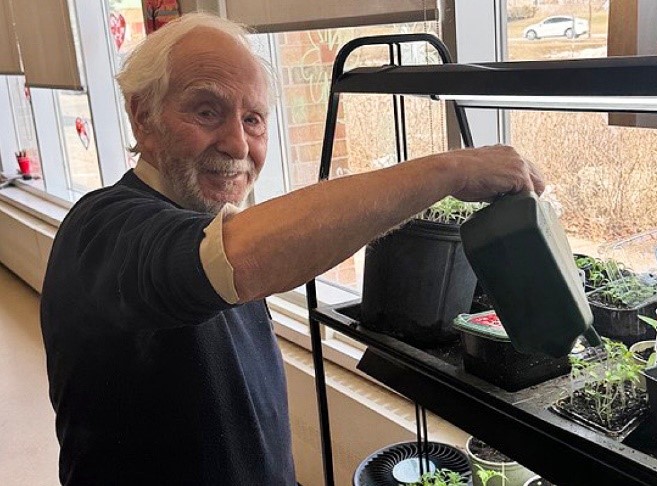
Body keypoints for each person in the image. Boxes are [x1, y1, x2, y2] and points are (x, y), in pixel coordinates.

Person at [39, 12, 544, 486]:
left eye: (254, 119)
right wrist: (450, 171)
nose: (238, 145)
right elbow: (236, 258)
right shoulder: (102, 229)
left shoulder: (214, 222)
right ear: (142, 116)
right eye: (206, 110)